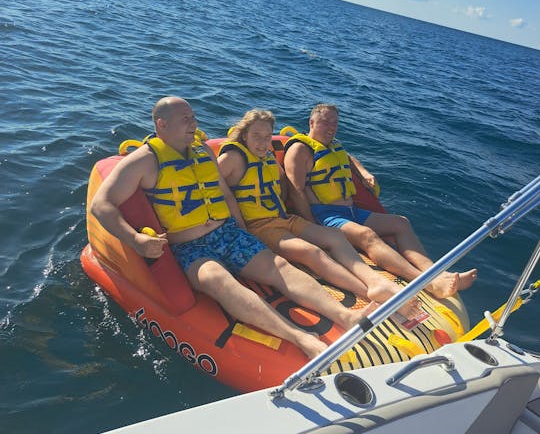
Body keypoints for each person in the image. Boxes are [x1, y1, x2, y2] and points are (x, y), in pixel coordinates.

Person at [90, 96, 377, 361]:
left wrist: (242, 229)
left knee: (280, 268)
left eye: (193, 117)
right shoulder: (143, 160)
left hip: (227, 233)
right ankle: (300, 336)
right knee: (219, 280)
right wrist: (136, 239)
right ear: (161, 124)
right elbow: (102, 205)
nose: (194, 123)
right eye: (185, 119)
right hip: (190, 247)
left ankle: (345, 316)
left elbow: (225, 194)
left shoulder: (202, 151)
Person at [217, 108, 421, 317]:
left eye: (267, 136)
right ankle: (369, 292)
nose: (262, 142)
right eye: (256, 136)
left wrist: (304, 216)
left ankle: (375, 281)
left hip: (285, 219)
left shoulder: (266, 156)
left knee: (335, 236)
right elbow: (211, 190)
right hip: (260, 227)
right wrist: (238, 227)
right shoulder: (233, 157)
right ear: (244, 135)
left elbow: (284, 184)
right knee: (311, 251)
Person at [283, 103, 478, 299]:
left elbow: (348, 158)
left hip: (351, 211)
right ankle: (427, 283)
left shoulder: (333, 146)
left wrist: (364, 172)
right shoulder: (299, 150)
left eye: (335, 123)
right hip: (326, 215)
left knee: (400, 222)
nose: (331, 127)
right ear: (312, 122)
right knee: (367, 235)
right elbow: (295, 191)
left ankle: (437, 273)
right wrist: (313, 227)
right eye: (325, 122)